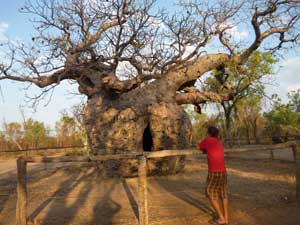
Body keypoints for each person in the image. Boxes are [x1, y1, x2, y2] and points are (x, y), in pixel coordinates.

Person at [198, 126, 228, 225]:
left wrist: (204, 150)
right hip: (223, 171)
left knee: (210, 193)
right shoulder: (218, 141)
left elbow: (199, 147)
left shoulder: (207, 140)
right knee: (223, 194)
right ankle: (226, 218)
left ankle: (221, 218)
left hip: (214, 171)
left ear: (208, 133)